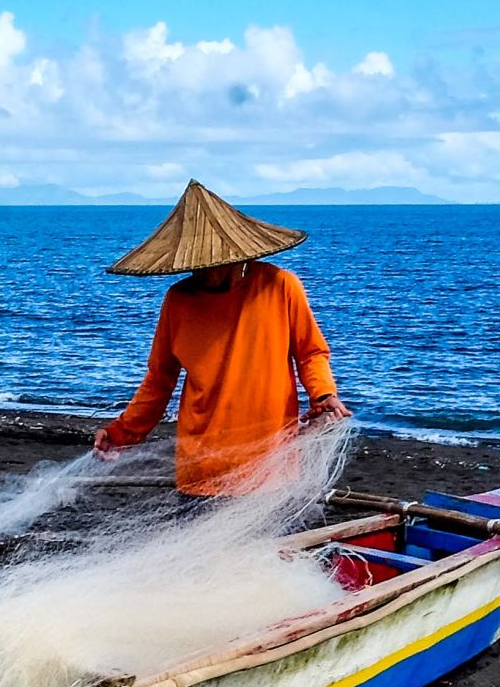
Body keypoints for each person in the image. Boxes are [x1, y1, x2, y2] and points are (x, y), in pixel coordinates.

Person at [92, 180, 351, 494]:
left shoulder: (280, 286)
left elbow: (311, 353)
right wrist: (121, 431)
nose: (202, 272)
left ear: (237, 254)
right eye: (194, 265)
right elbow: (159, 380)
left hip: (270, 468)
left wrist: (323, 395)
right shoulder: (178, 300)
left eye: (210, 264)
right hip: (201, 468)